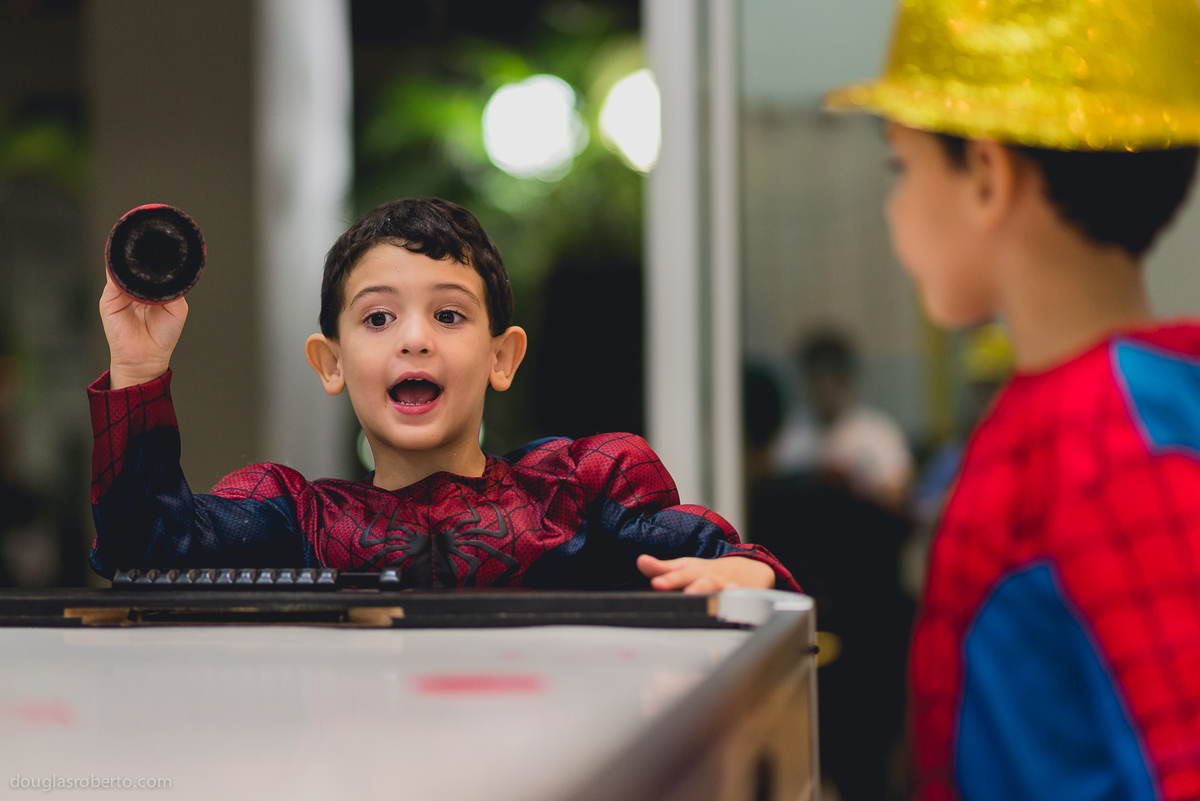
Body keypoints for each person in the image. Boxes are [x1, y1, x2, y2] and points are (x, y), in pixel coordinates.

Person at [823, 0, 1200, 798]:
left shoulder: (1110, 446)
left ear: (987, 179)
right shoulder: (1078, 411)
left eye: (902, 166)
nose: (894, 205)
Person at [89, 197, 797, 594]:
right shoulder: (298, 520)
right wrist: (138, 364)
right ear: (329, 362)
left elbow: (728, 557)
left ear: (501, 356)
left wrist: (748, 572)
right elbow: (149, 549)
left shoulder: (577, 496)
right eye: (378, 317)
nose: (415, 339)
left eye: (449, 314)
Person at [771, 329, 913, 509]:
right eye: (817, 378)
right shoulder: (789, 433)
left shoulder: (879, 432)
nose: (825, 388)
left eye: (832, 376)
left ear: (847, 379)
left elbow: (900, 492)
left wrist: (854, 486)